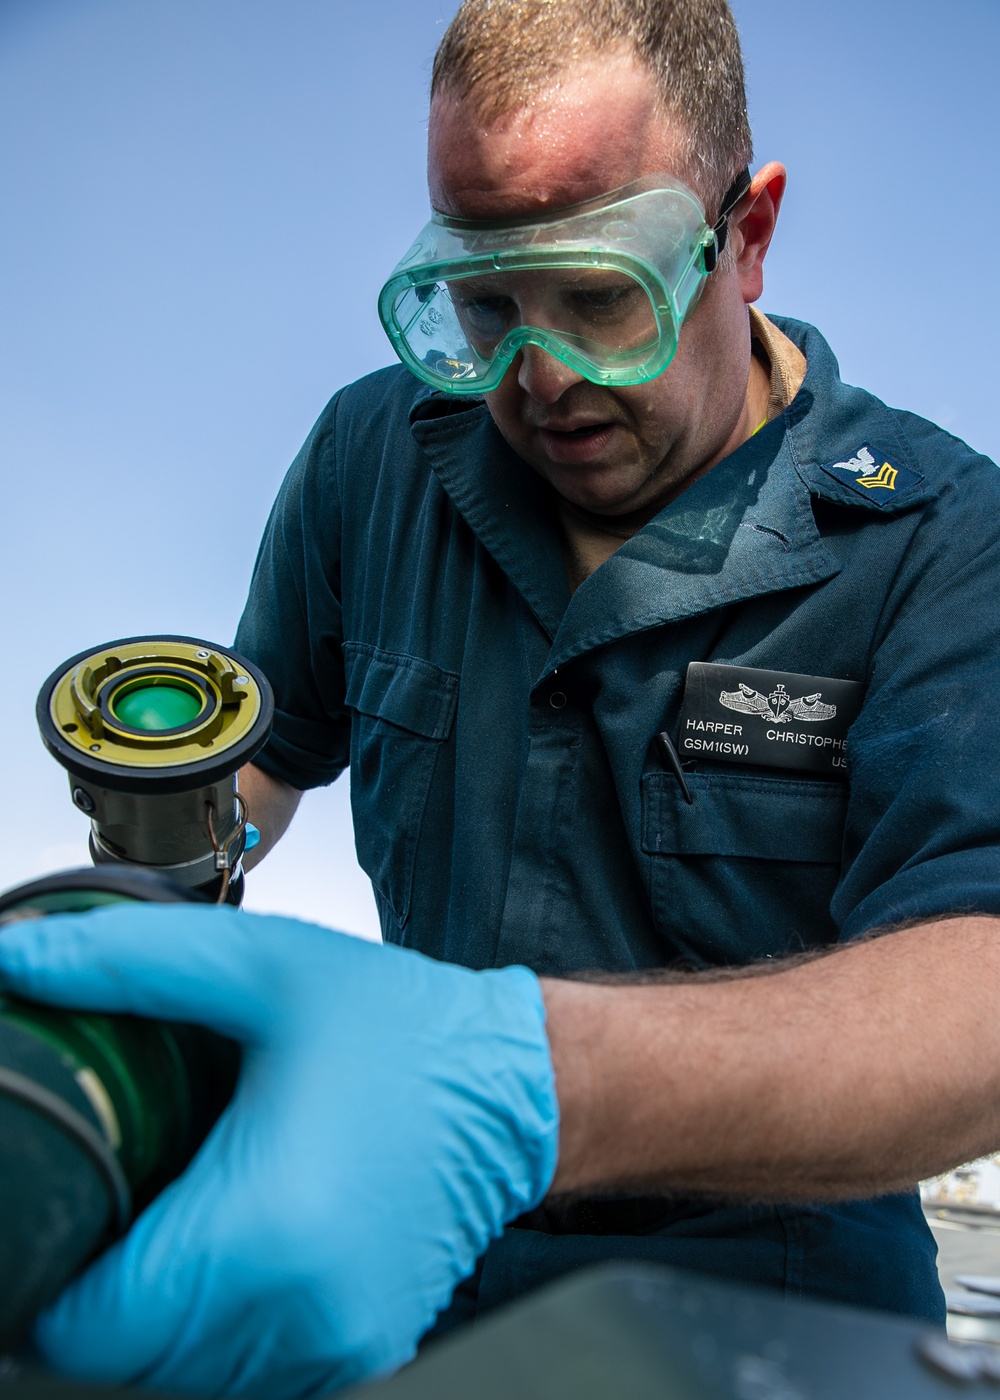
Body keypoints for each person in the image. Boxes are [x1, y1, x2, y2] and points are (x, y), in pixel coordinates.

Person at [4, 0, 1000, 1394]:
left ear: (747, 236)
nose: (538, 378)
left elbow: (978, 1000)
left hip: (774, 1324)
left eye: (601, 296)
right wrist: (136, 885)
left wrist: (525, 1083)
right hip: (392, 1283)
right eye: (484, 301)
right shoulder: (374, 455)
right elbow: (256, 766)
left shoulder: (941, 536)